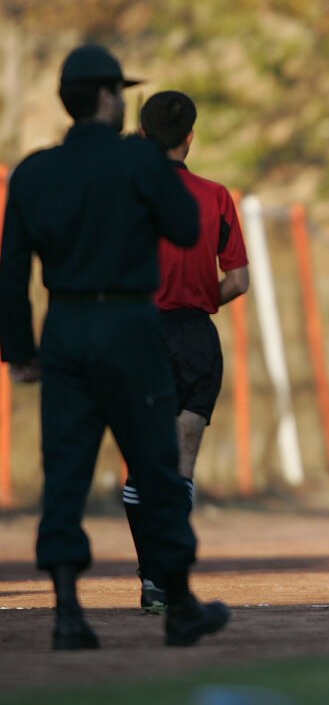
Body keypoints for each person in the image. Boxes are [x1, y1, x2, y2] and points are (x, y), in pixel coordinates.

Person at [0, 45, 230, 649]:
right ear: (106, 97)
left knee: (65, 472)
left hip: (66, 327)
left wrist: (19, 351)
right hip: (132, 325)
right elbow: (184, 226)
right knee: (156, 466)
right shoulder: (137, 161)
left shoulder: (34, 172)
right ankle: (178, 602)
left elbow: (12, 270)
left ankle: (67, 613)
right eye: (120, 92)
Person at [122, 90, 250, 614]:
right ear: (190, 137)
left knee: (141, 463)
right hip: (195, 336)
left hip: (137, 334)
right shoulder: (215, 196)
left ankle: (152, 579)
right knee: (182, 463)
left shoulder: (127, 193)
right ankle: (168, 578)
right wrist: (199, 299)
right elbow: (238, 281)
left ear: (143, 135)